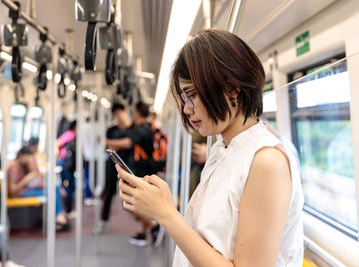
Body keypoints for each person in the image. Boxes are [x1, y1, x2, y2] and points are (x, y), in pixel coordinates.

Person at [116, 29, 304, 266]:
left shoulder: (266, 162)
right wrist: (160, 200)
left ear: (232, 88)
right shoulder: (222, 149)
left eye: (192, 94)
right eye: (184, 98)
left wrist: (166, 213)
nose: (186, 109)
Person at [107, 102, 162, 247]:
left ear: (137, 113)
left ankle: (154, 226)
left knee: (130, 204)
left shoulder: (141, 129)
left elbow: (127, 143)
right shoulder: (149, 128)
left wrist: (107, 142)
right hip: (146, 169)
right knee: (139, 202)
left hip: (140, 171)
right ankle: (143, 233)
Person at [7, 147, 69, 231]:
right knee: (52, 190)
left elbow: (37, 173)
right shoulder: (14, 168)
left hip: (26, 190)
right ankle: (58, 216)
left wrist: (32, 164)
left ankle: (58, 215)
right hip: (20, 193)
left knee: (55, 188)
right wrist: (27, 179)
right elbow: (13, 190)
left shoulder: (22, 166)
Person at [95, 103, 132, 233]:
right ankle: (103, 221)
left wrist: (112, 143)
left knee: (132, 194)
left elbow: (129, 144)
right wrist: (117, 144)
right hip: (112, 166)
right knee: (108, 193)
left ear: (124, 111)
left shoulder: (132, 129)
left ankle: (146, 223)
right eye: (115, 114)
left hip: (128, 166)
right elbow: (108, 147)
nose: (118, 116)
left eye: (119, 113)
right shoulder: (112, 130)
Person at [57, 120, 77, 216]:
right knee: (68, 187)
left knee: (67, 186)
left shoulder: (73, 136)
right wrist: (59, 157)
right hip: (66, 164)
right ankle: (68, 210)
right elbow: (57, 143)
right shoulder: (70, 135)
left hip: (68, 163)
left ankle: (65, 210)